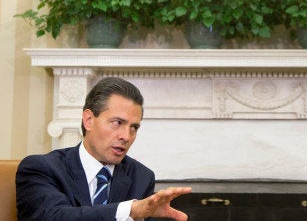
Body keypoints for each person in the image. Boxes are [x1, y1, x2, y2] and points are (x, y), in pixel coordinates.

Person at [16, 77, 191, 220]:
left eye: (134, 127)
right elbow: (55, 217)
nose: (126, 136)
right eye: (117, 123)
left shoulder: (141, 177)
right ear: (89, 120)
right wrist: (129, 211)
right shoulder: (41, 168)